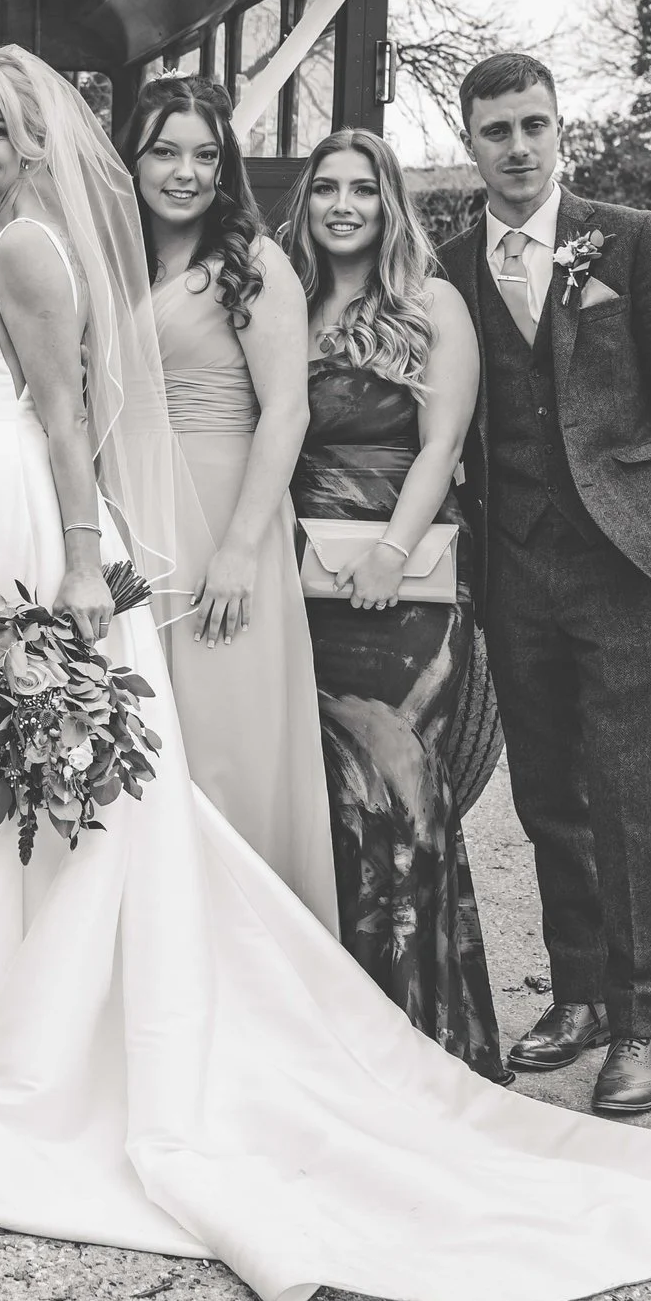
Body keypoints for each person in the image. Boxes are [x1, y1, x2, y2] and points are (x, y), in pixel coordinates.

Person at [0, 45, 651, 1301]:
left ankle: (616, 1017)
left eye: (532, 125)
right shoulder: (73, 252)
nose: (185, 171)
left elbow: (305, 419)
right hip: (108, 529)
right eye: (166, 151)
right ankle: (37, 1010)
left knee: (595, 794)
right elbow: (92, 408)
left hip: (455, 555)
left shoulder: (489, 257)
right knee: (149, 790)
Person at [441, 53, 651, 1116]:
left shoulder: (631, 239)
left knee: (627, 793)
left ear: (560, 130)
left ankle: (640, 1022)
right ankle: (576, 996)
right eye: (495, 130)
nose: (517, 147)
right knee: (546, 794)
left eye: (532, 126)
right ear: (467, 141)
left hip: (624, 559)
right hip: (510, 565)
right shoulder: (449, 264)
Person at [277, 128, 502, 1081]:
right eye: (324, 187)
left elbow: (442, 444)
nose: (341, 205)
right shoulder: (284, 301)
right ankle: (328, 1041)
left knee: (403, 794)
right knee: (324, 807)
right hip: (296, 590)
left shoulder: (432, 304)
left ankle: (424, 1045)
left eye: (361, 190)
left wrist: (391, 551)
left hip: (402, 596)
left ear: (388, 201)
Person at [120, 77, 333, 931]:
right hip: (132, 513)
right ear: (130, 158)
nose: (186, 172)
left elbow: (288, 409)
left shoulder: (254, 262)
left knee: (224, 742)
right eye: (165, 150)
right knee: (141, 737)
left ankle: (247, 944)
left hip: (222, 516)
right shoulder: (111, 258)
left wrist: (242, 547)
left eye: (206, 154)